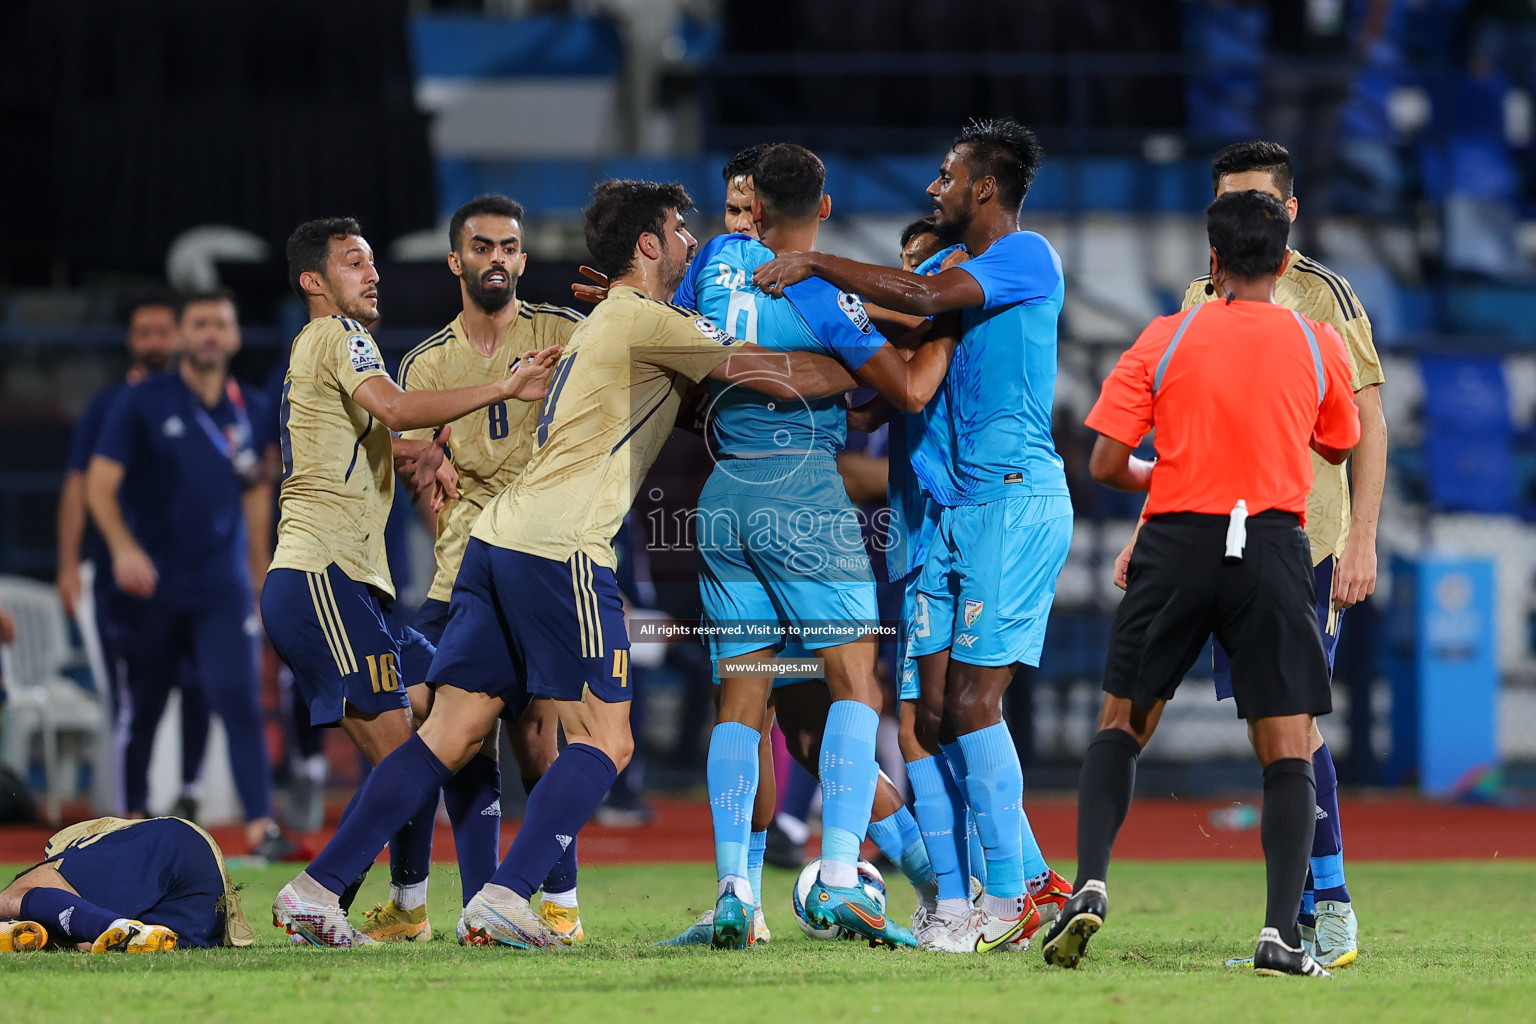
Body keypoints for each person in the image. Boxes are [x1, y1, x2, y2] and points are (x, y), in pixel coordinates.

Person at [271, 179, 861, 950]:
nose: (692, 244)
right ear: (648, 245)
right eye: (679, 231)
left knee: (450, 732)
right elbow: (775, 376)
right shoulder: (649, 319)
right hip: (564, 547)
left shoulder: (605, 323)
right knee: (608, 740)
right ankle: (509, 896)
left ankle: (317, 888)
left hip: (495, 541)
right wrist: (869, 366)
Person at [755, 118, 1073, 953]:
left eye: (946, 175)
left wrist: (817, 263)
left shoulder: (1025, 256)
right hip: (943, 514)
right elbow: (878, 371)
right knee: (923, 715)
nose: (933, 187)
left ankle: (1017, 888)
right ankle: (959, 900)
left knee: (968, 705)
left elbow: (919, 310)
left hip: (1009, 499)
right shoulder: (940, 270)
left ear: (985, 189)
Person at [1041, 189, 1360, 978]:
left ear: (1211, 261)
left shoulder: (1168, 335)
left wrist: (1170, 468)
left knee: (1122, 725)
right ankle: (1281, 935)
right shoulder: (1318, 341)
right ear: (1284, 262)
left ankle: (1089, 884)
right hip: (1274, 547)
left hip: (1178, 541)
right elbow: (1338, 441)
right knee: (1285, 748)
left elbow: (1107, 462)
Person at [675, 143, 961, 950]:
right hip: (802, 489)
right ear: (824, 211)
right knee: (854, 686)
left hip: (724, 493)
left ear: (752, 211)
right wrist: (922, 340)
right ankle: (841, 878)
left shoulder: (720, 261)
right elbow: (904, 390)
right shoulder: (825, 290)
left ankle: (735, 895)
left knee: (743, 698)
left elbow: (695, 365)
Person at [1116, 140, 1386, 969]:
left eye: (1257, 202)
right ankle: (1299, 912)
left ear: (1290, 211)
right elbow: (1176, 438)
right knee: (1273, 727)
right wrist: (1143, 533)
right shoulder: (1199, 299)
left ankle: (1331, 902)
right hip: (1212, 538)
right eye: (1227, 202)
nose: (1239, 217)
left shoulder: (1323, 295)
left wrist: (1362, 536)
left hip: (1302, 539)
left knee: (1295, 723)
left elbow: (1368, 423)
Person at [260, 216, 558, 946]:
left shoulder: (313, 350)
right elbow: (392, 404)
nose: (372, 274)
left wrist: (412, 454)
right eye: (353, 263)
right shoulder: (340, 335)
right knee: (410, 759)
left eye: (371, 261)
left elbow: (365, 435)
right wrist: (505, 387)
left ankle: (402, 907)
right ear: (313, 281)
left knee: (439, 728)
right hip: (322, 575)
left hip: (348, 585)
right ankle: (318, 894)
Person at [391, 193, 587, 943]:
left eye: (508, 247)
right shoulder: (427, 361)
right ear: (456, 261)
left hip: (539, 562)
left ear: (524, 260)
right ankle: (478, 907)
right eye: (482, 247)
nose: (496, 259)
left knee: (538, 742)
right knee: (448, 731)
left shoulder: (561, 334)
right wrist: (422, 466)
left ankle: (561, 909)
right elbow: (403, 445)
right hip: (459, 575)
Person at [84, 289, 289, 858]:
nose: (210, 334)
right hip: (152, 584)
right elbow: (99, 485)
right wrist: (123, 549)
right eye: (199, 323)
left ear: (235, 336)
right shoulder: (143, 401)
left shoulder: (247, 405)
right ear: (180, 335)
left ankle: (259, 827)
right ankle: (129, 820)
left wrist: (259, 572)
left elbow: (256, 496)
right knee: (145, 705)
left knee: (239, 698)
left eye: (221, 323)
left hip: (219, 586)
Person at [57, 298, 210, 817]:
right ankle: (132, 813)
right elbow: (79, 486)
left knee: (199, 684)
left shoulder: (203, 402)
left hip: (191, 576)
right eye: (143, 332)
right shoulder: (107, 405)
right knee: (134, 699)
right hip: (123, 580)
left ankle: (190, 791)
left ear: (179, 338)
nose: (153, 341)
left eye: (162, 331)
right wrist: (66, 562)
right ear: (130, 340)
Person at [0, 815, 251, 953]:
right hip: (198, 926)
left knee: (17, 895)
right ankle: (121, 929)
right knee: (83, 935)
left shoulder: (95, 847)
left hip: (174, 845)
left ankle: (114, 926)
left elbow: (21, 895)